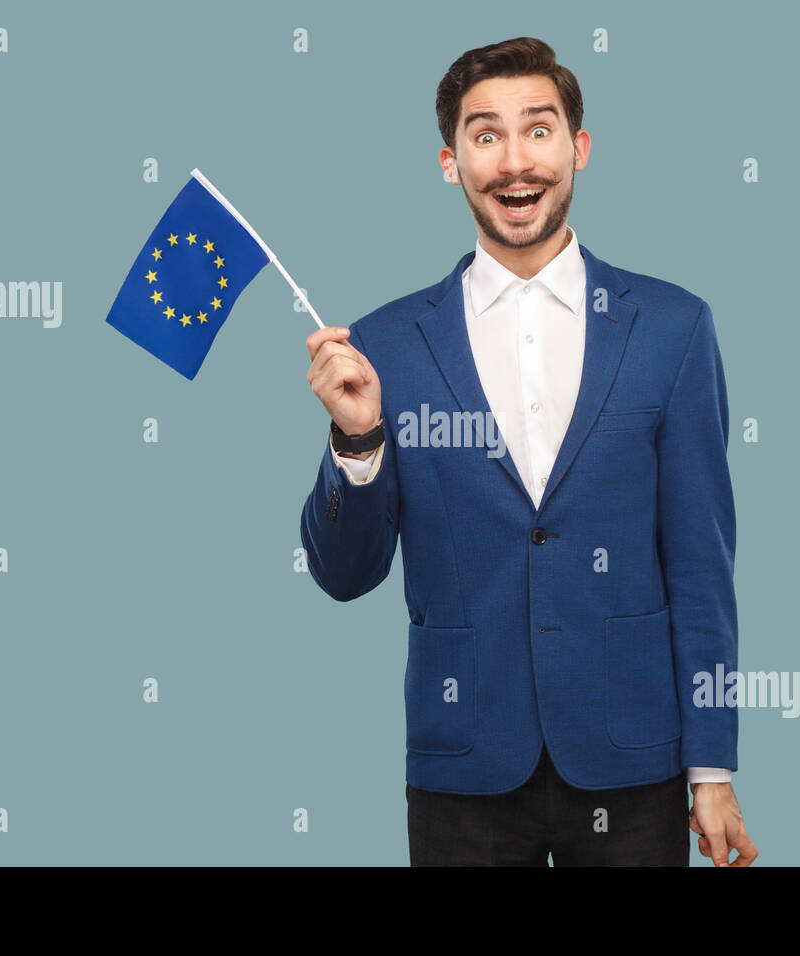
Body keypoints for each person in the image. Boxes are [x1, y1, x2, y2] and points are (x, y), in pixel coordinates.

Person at [300, 36, 757, 867]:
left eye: (538, 130)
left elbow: (701, 565)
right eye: (485, 136)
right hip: (464, 762)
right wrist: (357, 438)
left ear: (578, 148)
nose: (516, 161)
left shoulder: (674, 328)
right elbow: (344, 574)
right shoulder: (386, 345)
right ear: (450, 162)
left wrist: (713, 768)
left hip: (632, 759)